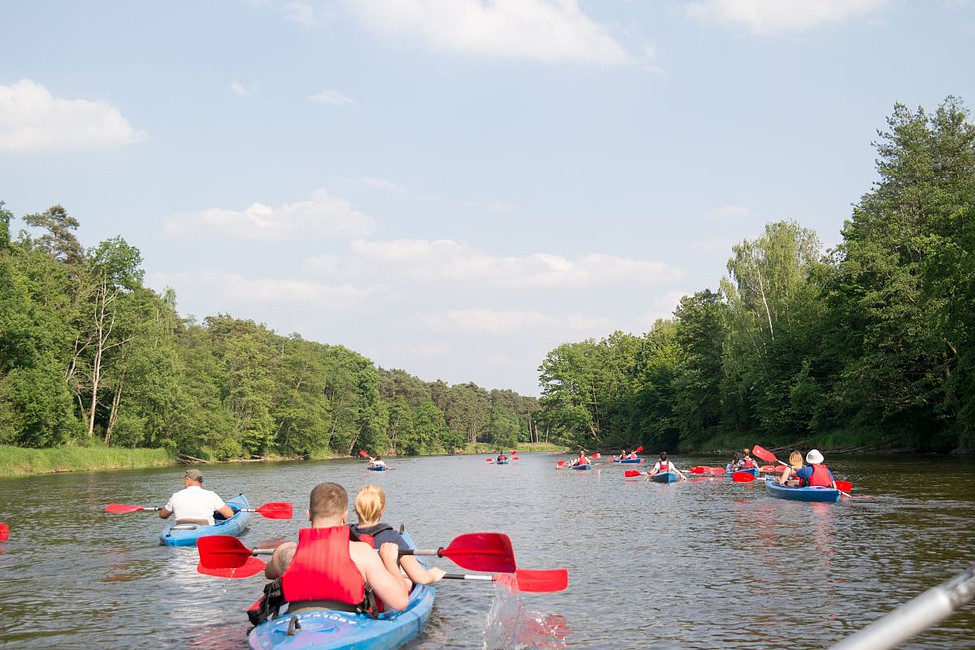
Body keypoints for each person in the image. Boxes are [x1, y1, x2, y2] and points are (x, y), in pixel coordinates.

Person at [260, 482, 409, 616]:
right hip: (345, 628)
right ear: (344, 516)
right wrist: (390, 562)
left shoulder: (284, 552)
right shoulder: (363, 553)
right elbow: (400, 602)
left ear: (309, 514)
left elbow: (268, 573)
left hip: (294, 626)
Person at [351, 484, 445, 589]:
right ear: (381, 510)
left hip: (356, 589)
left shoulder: (345, 533)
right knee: (407, 579)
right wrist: (433, 575)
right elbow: (421, 578)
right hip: (385, 593)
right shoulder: (391, 537)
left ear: (356, 509)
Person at [158, 469, 234, 525]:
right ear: (200, 481)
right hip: (205, 530)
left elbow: (162, 515)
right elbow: (229, 514)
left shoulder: (176, 496)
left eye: (184, 480)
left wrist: (172, 509)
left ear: (188, 480)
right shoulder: (211, 495)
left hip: (181, 529)